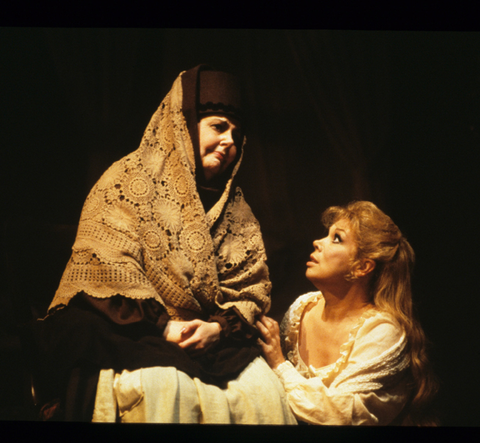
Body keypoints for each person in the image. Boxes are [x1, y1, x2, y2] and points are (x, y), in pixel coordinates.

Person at [35, 65, 296, 424]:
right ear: (183, 125)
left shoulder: (237, 208)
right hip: (130, 328)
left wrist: (217, 328)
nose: (230, 142)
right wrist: (162, 326)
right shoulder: (125, 180)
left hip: (205, 334)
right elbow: (106, 267)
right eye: (219, 127)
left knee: (261, 391)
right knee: (167, 387)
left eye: (237, 134)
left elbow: (248, 288)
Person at [257, 201, 438, 425]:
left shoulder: (382, 332)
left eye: (336, 238)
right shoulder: (301, 310)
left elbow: (339, 416)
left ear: (362, 267)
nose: (317, 242)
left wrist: (279, 365)